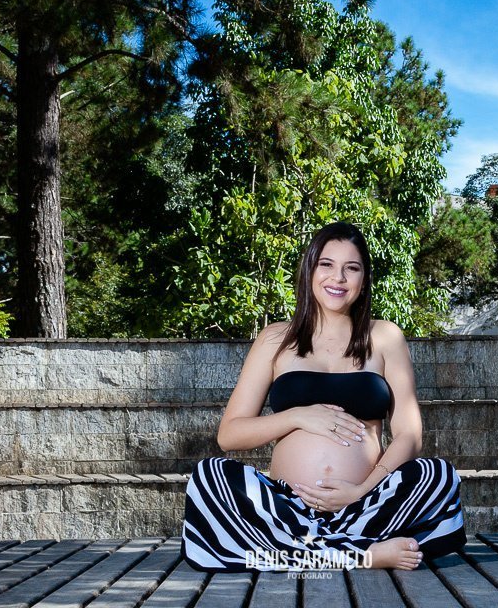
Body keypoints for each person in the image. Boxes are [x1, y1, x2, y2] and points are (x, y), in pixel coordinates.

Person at [181, 221, 466, 572]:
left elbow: (410, 434)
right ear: (310, 270)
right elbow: (229, 435)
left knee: (439, 475)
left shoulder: (385, 336)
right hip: (286, 507)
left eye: (352, 268)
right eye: (327, 264)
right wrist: (298, 416)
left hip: (366, 505)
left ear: (363, 281)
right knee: (209, 475)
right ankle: (362, 555)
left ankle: (308, 553)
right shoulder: (275, 339)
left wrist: (361, 489)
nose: (339, 278)